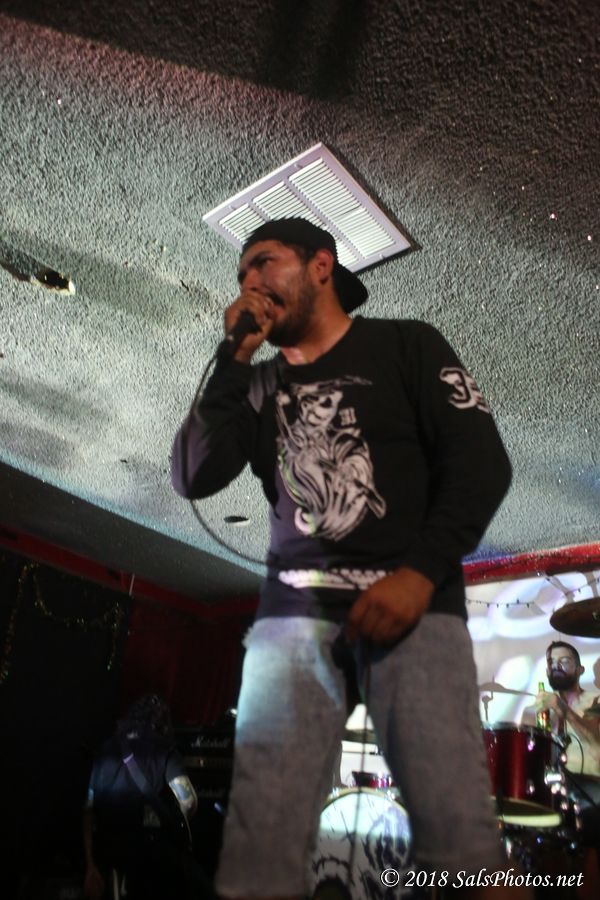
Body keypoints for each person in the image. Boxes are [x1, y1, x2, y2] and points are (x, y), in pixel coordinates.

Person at [171, 217, 530, 898]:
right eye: (241, 273)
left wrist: (420, 573)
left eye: (264, 262)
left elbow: (481, 463)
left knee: (460, 840)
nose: (250, 281)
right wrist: (233, 358)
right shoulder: (255, 385)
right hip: (293, 615)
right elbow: (191, 475)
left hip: (413, 607)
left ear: (321, 265)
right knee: (258, 845)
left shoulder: (407, 345)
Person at [83, 693, 212, 900]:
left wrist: (90, 864)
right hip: (151, 854)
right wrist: (174, 822)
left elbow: (88, 810)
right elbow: (189, 802)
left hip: (108, 851)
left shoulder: (105, 749)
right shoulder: (165, 750)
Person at [523, 641, 600, 899]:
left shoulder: (596, 701)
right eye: (551, 662)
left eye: (564, 661)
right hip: (555, 790)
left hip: (592, 788)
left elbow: (597, 744)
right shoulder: (536, 710)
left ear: (580, 669)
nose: (556, 666)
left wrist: (564, 711)